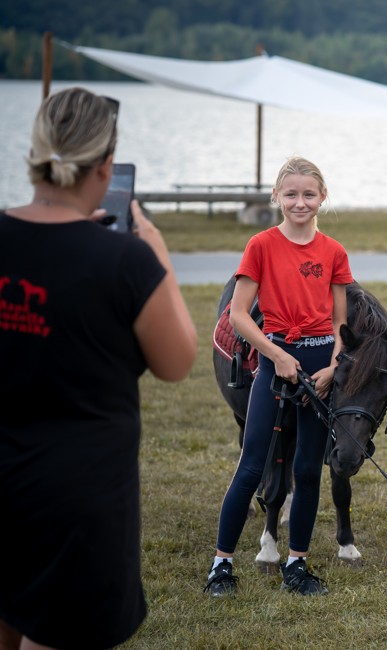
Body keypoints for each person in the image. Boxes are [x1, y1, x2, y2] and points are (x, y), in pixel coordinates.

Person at [0, 87, 197, 649]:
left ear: (34, 154)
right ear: (107, 166)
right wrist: (156, 252)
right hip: (79, 500)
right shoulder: (124, 260)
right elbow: (177, 361)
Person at [203, 156, 353, 598]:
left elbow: (340, 323)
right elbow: (238, 315)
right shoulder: (261, 245)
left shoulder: (334, 252)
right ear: (276, 197)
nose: (300, 202)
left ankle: (296, 565)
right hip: (274, 362)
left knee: (307, 470)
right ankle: (221, 567)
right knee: (252, 466)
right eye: (291, 194)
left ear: (322, 197)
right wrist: (276, 356)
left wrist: (333, 368)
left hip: (318, 368)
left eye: (309, 194)